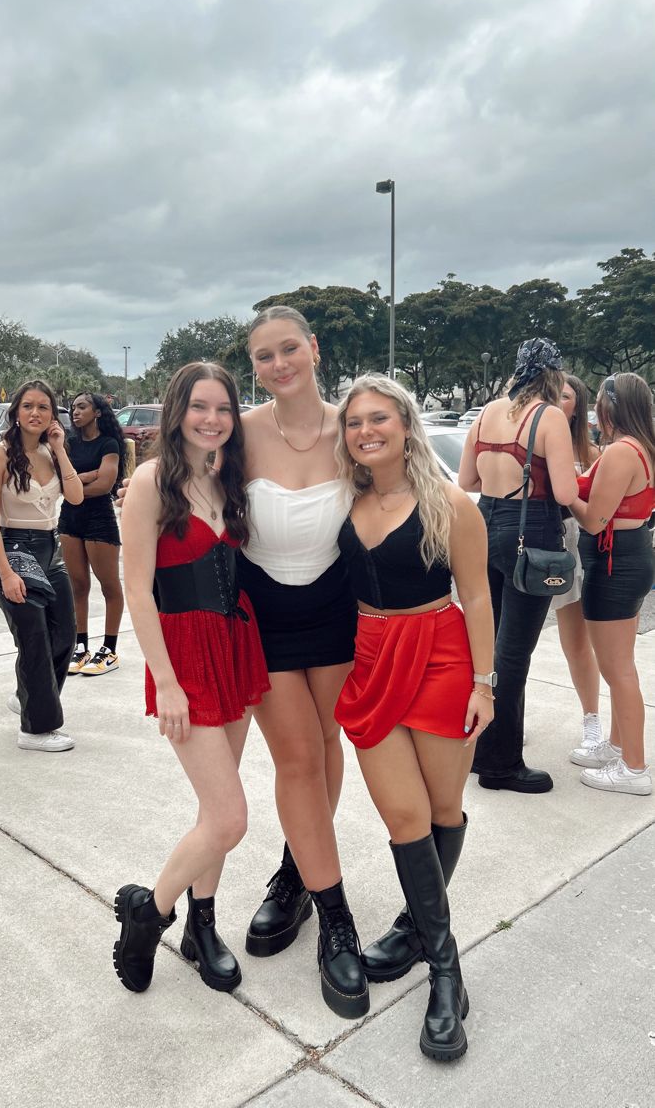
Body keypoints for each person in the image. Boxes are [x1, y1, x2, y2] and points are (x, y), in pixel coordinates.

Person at [333, 375, 494, 1061]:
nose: (365, 431)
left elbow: (479, 597)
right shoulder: (343, 499)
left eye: (378, 419)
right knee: (404, 820)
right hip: (369, 659)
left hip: (439, 657)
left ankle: (423, 945)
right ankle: (443, 963)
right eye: (352, 423)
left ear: (404, 423)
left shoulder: (449, 503)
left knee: (441, 811)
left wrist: (485, 685)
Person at [113, 362, 270, 995]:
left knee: (214, 809)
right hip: (184, 655)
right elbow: (135, 588)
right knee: (231, 817)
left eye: (224, 409)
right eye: (200, 407)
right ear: (177, 410)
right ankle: (148, 913)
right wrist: (166, 681)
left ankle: (201, 926)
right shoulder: (152, 480)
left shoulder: (226, 476)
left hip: (236, 644)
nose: (212, 419)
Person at [239, 305, 368, 1019]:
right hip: (261, 615)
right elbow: (177, 474)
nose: (279, 364)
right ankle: (336, 915)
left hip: (335, 608)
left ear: (313, 349)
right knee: (295, 759)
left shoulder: (352, 425)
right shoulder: (240, 431)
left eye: (289, 348)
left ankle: (295, 870)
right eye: (264, 356)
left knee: (326, 744)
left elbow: (421, 486)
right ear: (253, 365)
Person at [458, 338, 578, 793]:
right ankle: (501, 764)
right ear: (554, 375)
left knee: (485, 644)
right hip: (532, 528)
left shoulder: (487, 411)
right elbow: (565, 493)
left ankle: (479, 746)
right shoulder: (549, 417)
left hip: (485, 523)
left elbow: (467, 479)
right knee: (513, 653)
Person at [0, 380, 83, 751]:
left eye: (43, 407)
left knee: (66, 635)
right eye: (28, 406)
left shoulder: (52, 452)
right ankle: (35, 730)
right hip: (13, 549)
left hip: (49, 550)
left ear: (53, 414)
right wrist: (5, 572)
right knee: (35, 639)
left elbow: (75, 496)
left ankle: (29, 694)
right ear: (16, 412)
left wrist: (59, 448)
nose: (35, 413)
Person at [570, 372, 655, 795]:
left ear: (612, 406)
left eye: (600, 402)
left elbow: (593, 518)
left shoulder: (622, 451)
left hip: (614, 563)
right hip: (628, 556)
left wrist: (567, 491)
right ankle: (621, 747)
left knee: (617, 669)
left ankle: (634, 768)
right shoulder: (639, 447)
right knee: (623, 664)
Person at [552, 375, 604, 763]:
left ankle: (591, 719)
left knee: (576, 644)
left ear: (577, 405)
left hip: (574, 548)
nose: (556, 401)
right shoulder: (532, 441)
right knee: (511, 642)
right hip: (531, 547)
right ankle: (506, 720)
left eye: (564, 396)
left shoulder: (593, 452)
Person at [59, 392, 126, 676]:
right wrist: (88, 476)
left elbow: (105, 484)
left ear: (97, 412)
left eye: (82, 406)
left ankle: (109, 649)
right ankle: (81, 645)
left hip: (100, 519)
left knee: (109, 585)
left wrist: (75, 484)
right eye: (73, 407)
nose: (75, 411)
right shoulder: (70, 444)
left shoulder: (108, 444)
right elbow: (60, 481)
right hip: (70, 520)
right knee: (77, 585)